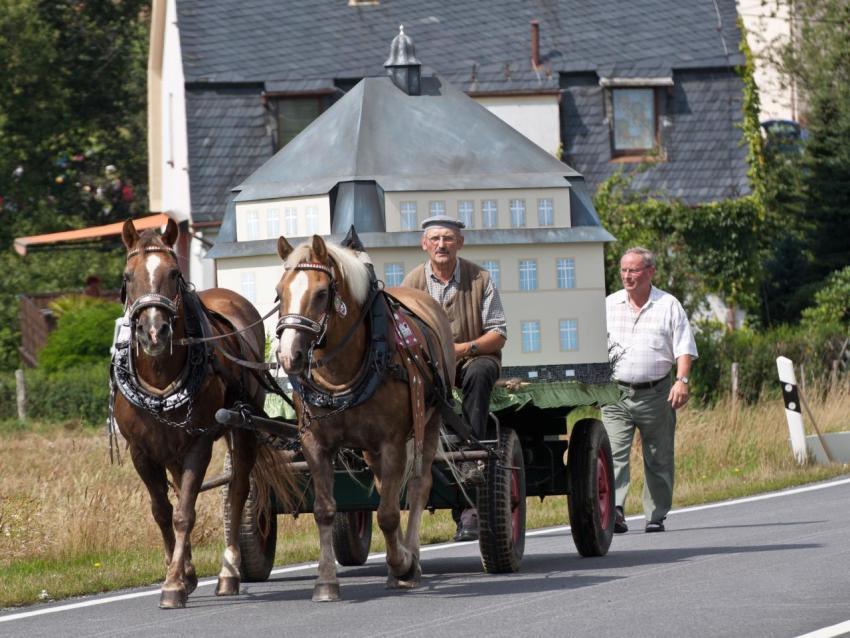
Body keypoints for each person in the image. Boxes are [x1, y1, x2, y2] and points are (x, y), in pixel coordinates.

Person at [402, 214, 507, 542]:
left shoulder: (481, 279)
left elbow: (498, 333)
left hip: (471, 357)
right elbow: (401, 331)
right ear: (424, 245)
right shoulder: (412, 282)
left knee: (479, 373)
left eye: (448, 239)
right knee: (425, 387)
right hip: (430, 365)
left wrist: (463, 349)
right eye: (435, 239)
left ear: (460, 243)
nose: (441, 245)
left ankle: (470, 452)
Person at [602, 247, 697, 534]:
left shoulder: (668, 305)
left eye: (634, 270)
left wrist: (681, 381)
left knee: (658, 456)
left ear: (650, 272)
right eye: (623, 270)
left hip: (657, 392)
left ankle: (655, 514)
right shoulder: (609, 304)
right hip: (616, 393)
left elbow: (684, 349)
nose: (627, 276)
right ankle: (615, 511)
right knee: (613, 454)